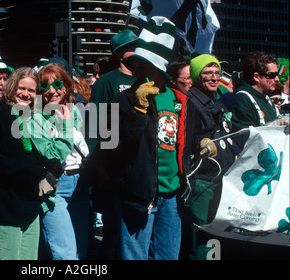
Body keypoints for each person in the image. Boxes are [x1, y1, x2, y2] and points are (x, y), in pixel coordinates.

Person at [108, 16, 187, 260]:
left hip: (171, 193)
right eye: (138, 66)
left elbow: (182, 141)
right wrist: (138, 110)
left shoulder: (179, 100)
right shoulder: (122, 97)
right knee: (134, 255)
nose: (141, 72)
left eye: (146, 67)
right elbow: (112, 143)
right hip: (139, 193)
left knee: (167, 256)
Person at [0, 66, 70, 260]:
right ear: (11, 87)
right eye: (22, 88)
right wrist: (35, 171)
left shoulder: (27, 119)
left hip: (29, 209)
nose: (26, 94)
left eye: (31, 90)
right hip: (4, 209)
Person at [180, 54, 238, 260]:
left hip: (219, 181)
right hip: (201, 182)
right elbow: (184, 141)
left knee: (215, 237)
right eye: (207, 73)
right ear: (197, 77)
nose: (214, 78)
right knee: (200, 237)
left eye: (217, 73)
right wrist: (199, 143)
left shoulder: (218, 103)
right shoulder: (190, 103)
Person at [87, 29, 139, 260]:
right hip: (113, 169)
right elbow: (95, 126)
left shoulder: (145, 80)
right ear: (119, 54)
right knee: (112, 231)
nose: (138, 50)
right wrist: (100, 166)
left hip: (139, 168)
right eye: (132, 47)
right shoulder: (106, 82)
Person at [36, 64, 90, 260]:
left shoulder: (74, 111)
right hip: (55, 186)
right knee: (65, 254)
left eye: (57, 84)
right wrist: (66, 128)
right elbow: (52, 155)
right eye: (45, 86)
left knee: (80, 251)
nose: (52, 91)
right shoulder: (35, 118)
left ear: (66, 86)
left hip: (79, 183)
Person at [229, 52, 281, 148]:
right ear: (256, 77)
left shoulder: (266, 99)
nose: (277, 79)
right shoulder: (242, 99)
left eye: (277, 74)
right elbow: (242, 138)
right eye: (272, 75)